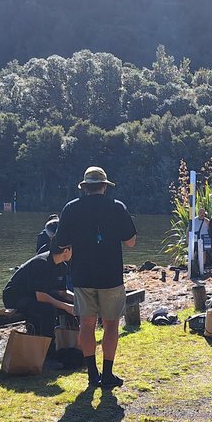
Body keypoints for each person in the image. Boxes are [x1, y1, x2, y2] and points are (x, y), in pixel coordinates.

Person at [54, 166, 137, 388]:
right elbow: (131, 241)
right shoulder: (116, 207)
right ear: (104, 187)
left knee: (86, 325)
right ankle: (108, 374)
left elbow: (61, 242)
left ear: (84, 187)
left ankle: (92, 374)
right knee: (111, 326)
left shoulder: (71, 208)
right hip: (110, 276)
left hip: (82, 276)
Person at [3, 242, 75, 337]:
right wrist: (66, 306)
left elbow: (63, 293)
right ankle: (48, 346)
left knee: (72, 306)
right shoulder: (41, 263)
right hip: (16, 297)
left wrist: (80, 301)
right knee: (48, 309)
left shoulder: (62, 266)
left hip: (35, 295)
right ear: (66, 251)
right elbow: (41, 297)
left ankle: (70, 342)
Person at [190, 207, 211, 278]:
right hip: (195, 240)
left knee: (203, 254)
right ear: (198, 213)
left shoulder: (207, 221)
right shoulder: (194, 220)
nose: (202, 214)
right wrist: (188, 239)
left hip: (203, 240)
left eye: (203, 213)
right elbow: (188, 229)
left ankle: (202, 267)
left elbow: (210, 228)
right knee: (194, 254)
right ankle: (193, 268)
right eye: (200, 213)